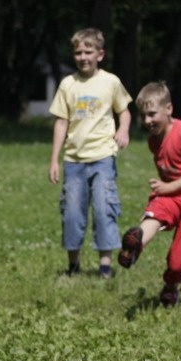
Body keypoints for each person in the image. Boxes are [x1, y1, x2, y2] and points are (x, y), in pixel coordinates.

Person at [117, 81, 181, 307]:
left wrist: (169, 187)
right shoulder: (155, 140)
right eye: (143, 116)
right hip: (172, 195)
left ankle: (171, 286)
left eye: (152, 114)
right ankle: (134, 246)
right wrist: (168, 190)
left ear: (169, 109)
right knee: (156, 213)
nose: (147, 121)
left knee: (176, 262)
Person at [48, 28, 132, 279]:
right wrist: (54, 159)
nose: (83, 56)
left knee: (104, 208)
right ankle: (73, 266)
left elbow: (124, 110)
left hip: (103, 158)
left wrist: (124, 130)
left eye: (88, 51)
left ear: (100, 54)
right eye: (78, 52)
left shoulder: (111, 82)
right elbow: (61, 122)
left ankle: (105, 266)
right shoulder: (68, 84)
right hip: (74, 161)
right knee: (72, 212)